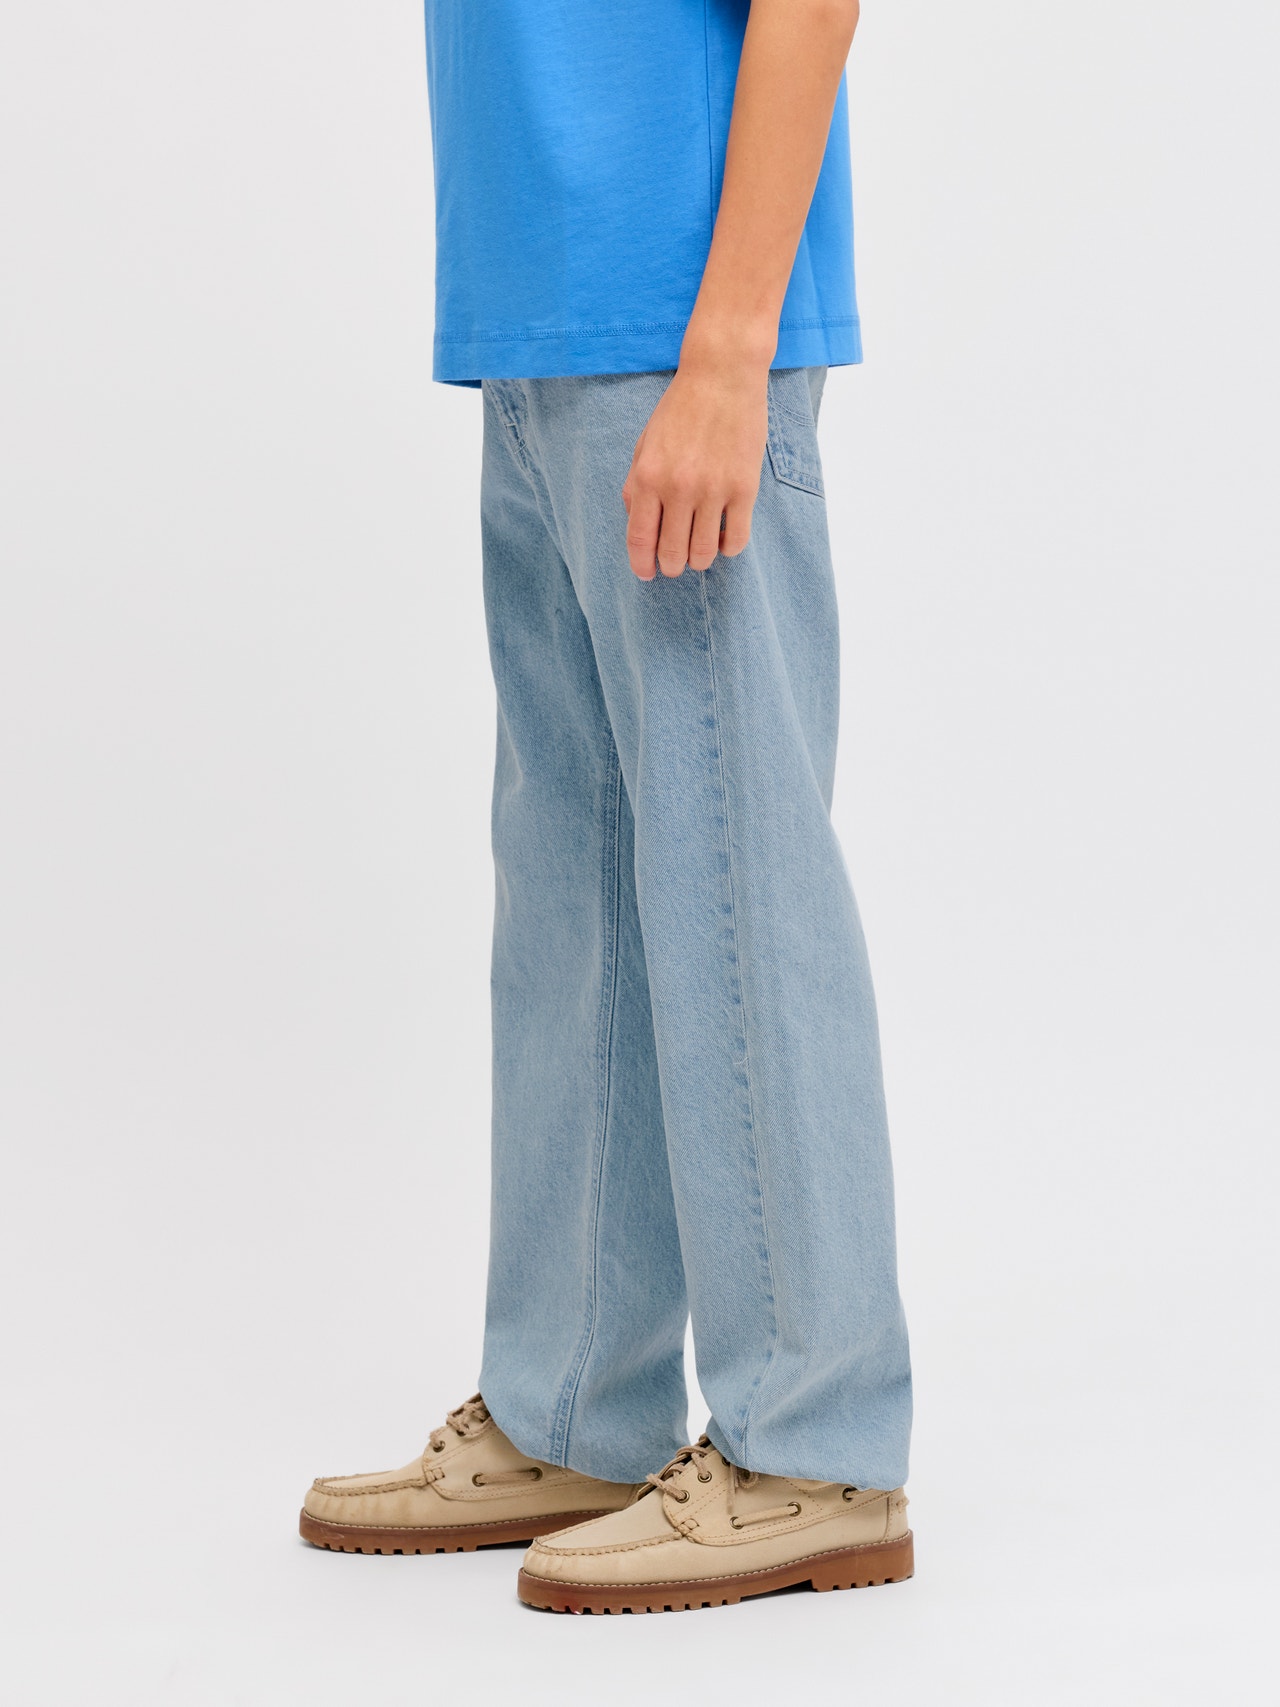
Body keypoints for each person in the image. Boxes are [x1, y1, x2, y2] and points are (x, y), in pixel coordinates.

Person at [298, 0, 913, 1614]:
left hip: (674, 326)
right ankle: (575, 1405)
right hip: (536, 323)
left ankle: (817, 1441)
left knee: (735, 880)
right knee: (571, 893)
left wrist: (728, 354)